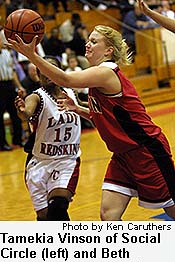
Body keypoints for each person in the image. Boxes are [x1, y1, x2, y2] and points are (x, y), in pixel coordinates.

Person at [7, 25, 175, 221]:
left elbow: (65, 79)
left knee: (171, 208)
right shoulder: (98, 75)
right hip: (122, 156)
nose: (87, 44)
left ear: (108, 51)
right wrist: (79, 109)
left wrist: (32, 55)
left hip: (146, 151)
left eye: (94, 41)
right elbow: (103, 116)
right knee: (108, 214)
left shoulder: (106, 72)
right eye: (88, 40)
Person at [14, 56, 81, 221]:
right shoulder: (36, 97)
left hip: (67, 160)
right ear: (38, 74)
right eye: (42, 69)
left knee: (58, 206)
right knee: (45, 218)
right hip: (40, 162)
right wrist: (22, 111)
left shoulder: (71, 93)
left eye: (51, 68)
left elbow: (83, 108)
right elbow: (26, 113)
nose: (47, 73)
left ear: (59, 72)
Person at [0, 32, 25, 151]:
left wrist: (19, 86)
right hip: (0, 86)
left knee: (16, 113)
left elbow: (13, 71)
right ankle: (2, 143)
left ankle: (18, 140)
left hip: (9, 84)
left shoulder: (7, 52)